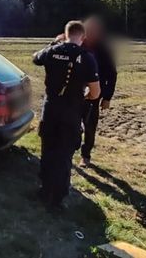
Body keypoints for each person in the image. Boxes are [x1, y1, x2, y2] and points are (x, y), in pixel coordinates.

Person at [33, 20, 101, 211]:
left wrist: (54, 44)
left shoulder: (52, 50)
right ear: (83, 36)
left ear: (65, 33)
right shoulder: (86, 57)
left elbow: (35, 58)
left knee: (47, 150)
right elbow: (95, 93)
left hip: (51, 108)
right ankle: (57, 198)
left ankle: (44, 190)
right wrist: (82, 97)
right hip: (71, 111)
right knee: (64, 155)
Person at [80, 16, 118, 167]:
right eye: (88, 29)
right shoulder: (78, 44)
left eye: (95, 30)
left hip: (94, 95)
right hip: (75, 94)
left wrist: (107, 97)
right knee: (72, 124)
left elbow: (112, 73)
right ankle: (70, 150)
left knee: (90, 127)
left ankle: (85, 155)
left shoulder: (103, 49)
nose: (91, 33)